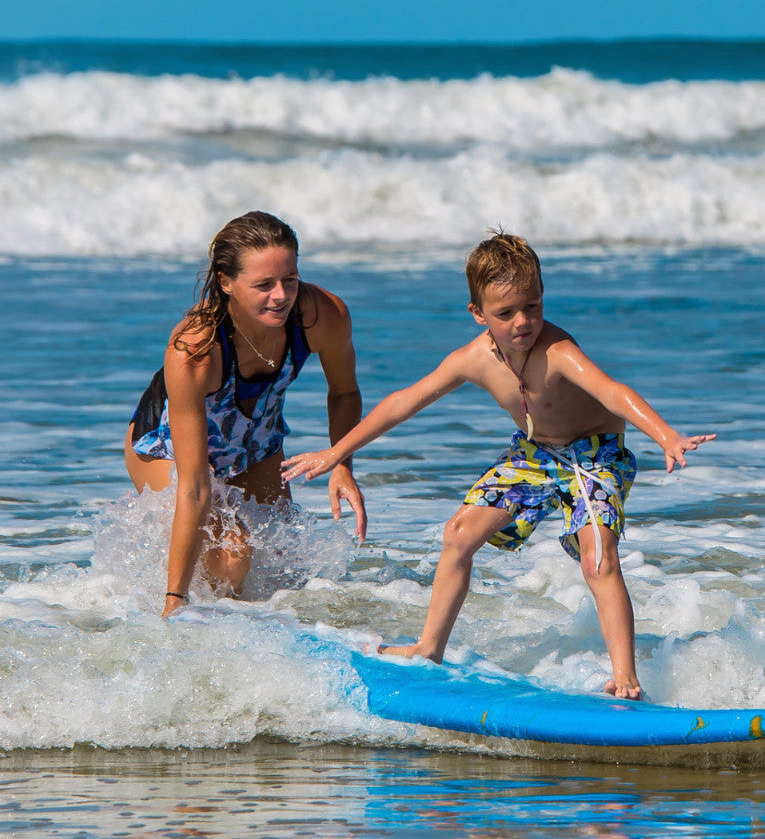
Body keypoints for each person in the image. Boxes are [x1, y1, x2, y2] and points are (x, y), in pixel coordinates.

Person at [281, 232, 715, 699]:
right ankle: (428, 648)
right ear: (478, 313)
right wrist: (336, 453)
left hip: (596, 455)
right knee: (459, 534)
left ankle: (626, 678)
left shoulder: (558, 352)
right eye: (505, 313)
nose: (523, 321)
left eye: (532, 305)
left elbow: (613, 391)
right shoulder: (474, 359)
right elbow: (402, 402)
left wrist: (666, 435)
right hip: (534, 455)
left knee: (598, 558)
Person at [125, 211, 366, 617]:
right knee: (232, 558)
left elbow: (344, 392)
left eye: (289, 279)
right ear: (226, 282)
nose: (281, 296)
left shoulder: (322, 315)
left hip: (257, 446)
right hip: (167, 448)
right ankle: (189, 622)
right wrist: (174, 604)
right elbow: (195, 487)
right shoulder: (196, 349)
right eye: (263, 285)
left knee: (284, 564)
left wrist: (341, 463)